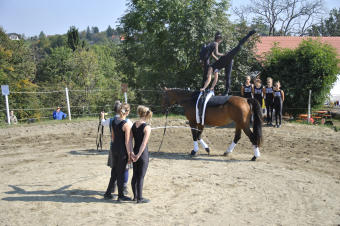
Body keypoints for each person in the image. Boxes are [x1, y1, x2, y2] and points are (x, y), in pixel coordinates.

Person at [201, 29, 256, 95]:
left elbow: (209, 78)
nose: (208, 74)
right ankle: (224, 91)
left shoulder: (211, 67)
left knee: (239, 47)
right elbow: (214, 79)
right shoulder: (215, 70)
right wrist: (210, 87)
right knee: (227, 77)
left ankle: (249, 34)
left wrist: (221, 56)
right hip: (225, 62)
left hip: (226, 58)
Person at [103, 103, 132, 202]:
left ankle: (108, 193)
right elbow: (127, 142)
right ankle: (120, 195)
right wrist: (129, 154)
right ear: (127, 112)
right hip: (122, 150)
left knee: (114, 172)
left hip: (114, 148)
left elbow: (113, 137)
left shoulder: (114, 122)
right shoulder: (126, 125)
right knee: (121, 172)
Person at [131, 105, 152, 203]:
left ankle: (135, 196)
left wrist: (132, 153)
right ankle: (139, 198)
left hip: (134, 151)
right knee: (141, 176)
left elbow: (130, 140)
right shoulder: (147, 127)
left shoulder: (134, 124)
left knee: (135, 175)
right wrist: (138, 155)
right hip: (142, 154)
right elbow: (144, 143)